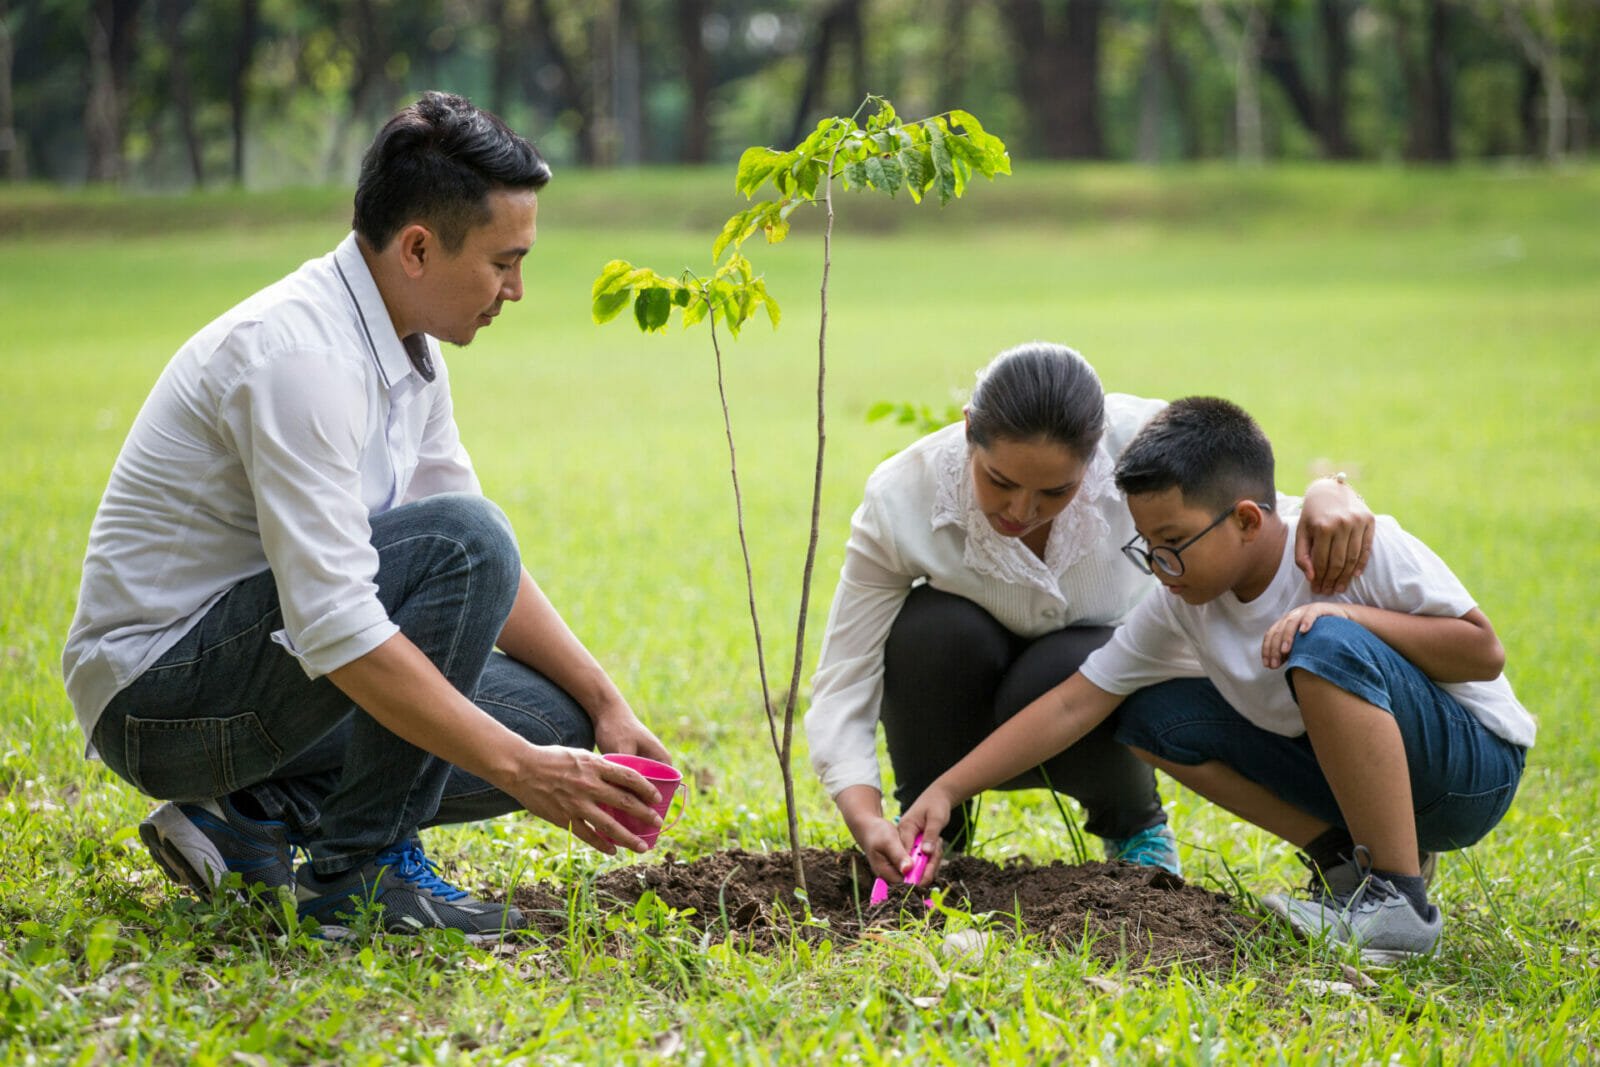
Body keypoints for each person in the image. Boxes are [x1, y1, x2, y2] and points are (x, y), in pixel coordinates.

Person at [62, 92, 670, 942]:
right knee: (481, 583)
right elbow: (343, 619)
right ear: (418, 247)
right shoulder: (298, 357)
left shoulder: (405, 344)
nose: (518, 290)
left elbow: (474, 567)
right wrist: (525, 774)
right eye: (505, 262)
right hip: (162, 696)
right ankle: (361, 874)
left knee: (556, 723)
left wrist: (604, 704)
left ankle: (249, 814)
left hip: (265, 672)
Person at [897, 396, 1533, 962]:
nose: (1159, 566)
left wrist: (1342, 612)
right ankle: (1346, 862)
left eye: (1171, 541)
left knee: (1322, 637)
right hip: (1363, 779)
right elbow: (1075, 702)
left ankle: (1398, 906)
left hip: (1471, 771)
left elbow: (1483, 652)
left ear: (1249, 521)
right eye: (1146, 545)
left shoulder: (1348, 546)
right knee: (1151, 714)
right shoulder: (1183, 599)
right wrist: (947, 789)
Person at [805, 343, 1375, 885]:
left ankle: (1135, 829)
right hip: (958, 701)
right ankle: (932, 832)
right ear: (967, 428)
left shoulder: (1141, 445)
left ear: (1097, 453)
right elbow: (844, 677)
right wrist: (864, 814)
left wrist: (1330, 490)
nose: (1021, 511)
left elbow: (1252, 513)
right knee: (931, 629)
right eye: (999, 481)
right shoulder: (901, 496)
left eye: (1055, 491)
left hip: (1089, 697)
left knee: (1084, 656)